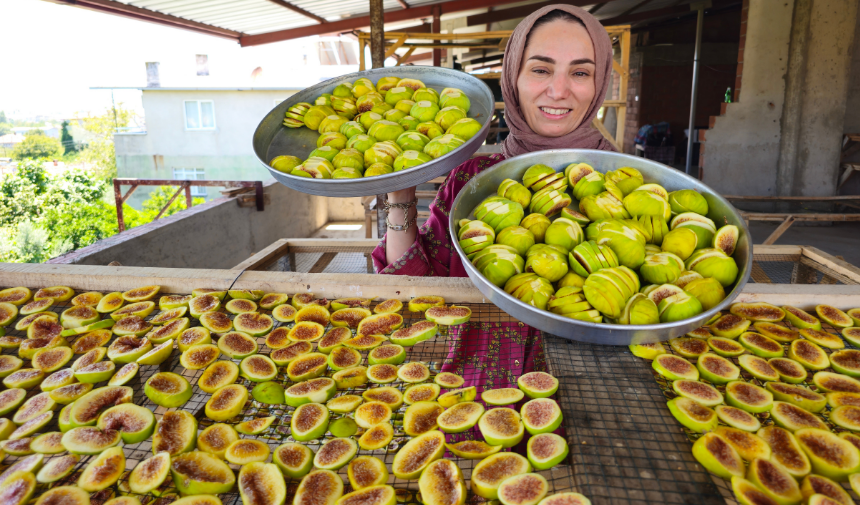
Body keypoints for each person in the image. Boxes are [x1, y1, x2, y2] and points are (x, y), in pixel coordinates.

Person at [370, 5, 616, 388]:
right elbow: (416, 291)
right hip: (477, 395)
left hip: (597, 403)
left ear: (599, 84)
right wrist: (400, 194)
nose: (558, 90)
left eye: (580, 72)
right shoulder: (472, 178)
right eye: (540, 69)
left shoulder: (630, 185)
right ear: (512, 77)